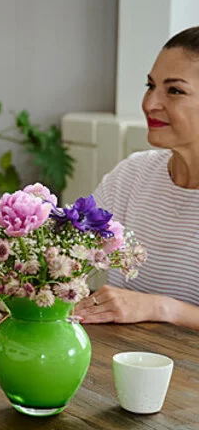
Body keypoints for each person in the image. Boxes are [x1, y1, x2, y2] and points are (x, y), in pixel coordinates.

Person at [74, 26, 199, 331]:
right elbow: (65, 251)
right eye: (150, 85)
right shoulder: (133, 174)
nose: (149, 104)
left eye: (174, 90)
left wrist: (160, 307)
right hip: (117, 365)